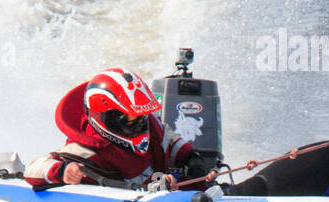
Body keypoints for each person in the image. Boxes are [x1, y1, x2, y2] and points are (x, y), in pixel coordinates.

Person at [24, 68, 209, 191]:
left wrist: (191, 159)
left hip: (162, 197)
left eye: (140, 117)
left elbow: (169, 138)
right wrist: (62, 170)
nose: (137, 124)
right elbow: (32, 169)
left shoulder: (152, 126)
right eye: (127, 119)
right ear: (104, 118)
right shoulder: (82, 152)